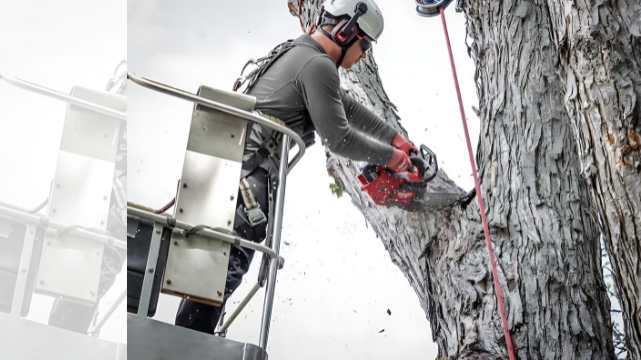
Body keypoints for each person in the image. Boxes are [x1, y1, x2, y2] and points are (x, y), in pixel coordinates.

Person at [174, 0, 418, 334]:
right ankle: (185, 349)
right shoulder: (318, 65)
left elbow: (347, 107)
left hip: (227, 177)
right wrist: (392, 158)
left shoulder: (298, 54)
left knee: (206, 278)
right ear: (346, 31)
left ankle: (186, 342)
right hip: (247, 186)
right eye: (364, 45)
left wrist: (395, 138)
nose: (363, 55)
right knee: (218, 276)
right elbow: (339, 138)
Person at [48, 60, 128, 334]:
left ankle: (64, 333)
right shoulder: (124, 85)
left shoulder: (122, 84)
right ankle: (65, 334)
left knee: (90, 268)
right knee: (92, 268)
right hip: (109, 196)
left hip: (106, 194)